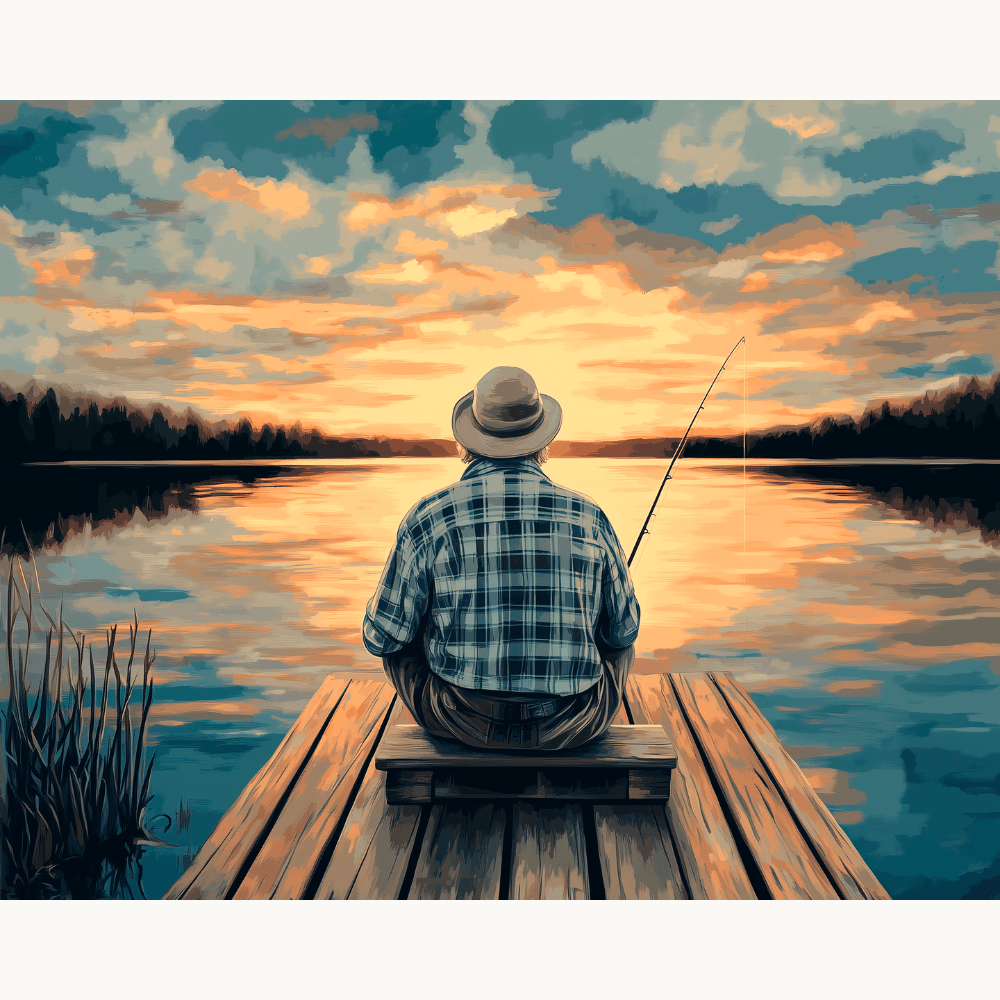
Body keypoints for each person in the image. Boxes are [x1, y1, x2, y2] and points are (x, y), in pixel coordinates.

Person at [362, 365, 640, 751]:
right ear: (542, 440)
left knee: (401, 634)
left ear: (469, 440)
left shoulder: (426, 517)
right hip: (574, 723)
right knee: (619, 634)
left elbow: (381, 638)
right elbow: (623, 631)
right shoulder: (590, 516)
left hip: (460, 719)